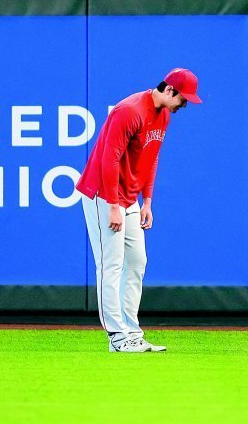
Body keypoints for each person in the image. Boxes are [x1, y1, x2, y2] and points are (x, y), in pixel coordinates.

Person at [76, 68, 202, 353]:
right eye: (184, 98)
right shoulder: (129, 110)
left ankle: (132, 333)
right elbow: (109, 159)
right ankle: (117, 339)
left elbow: (151, 157)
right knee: (111, 265)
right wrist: (112, 206)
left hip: (130, 198)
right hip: (102, 195)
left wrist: (147, 201)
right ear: (170, 90)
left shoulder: (164, 115)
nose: (185, 105)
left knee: (137, 261)